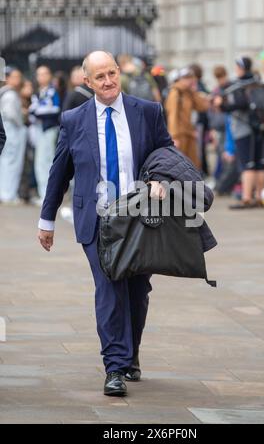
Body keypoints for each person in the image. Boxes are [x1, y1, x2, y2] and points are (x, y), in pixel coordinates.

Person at [38, 51, 173, 397]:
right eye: (100, 77)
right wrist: (47, 219)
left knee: (138, 291)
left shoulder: (148, 112)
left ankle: (130, 353)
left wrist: (159, 177)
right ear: (87, 82)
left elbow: (166, 152)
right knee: (109, 287)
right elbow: (59, 172)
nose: (109, 81)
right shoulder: (73, 119)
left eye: (112, 73)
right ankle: (114, 365)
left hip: (141, 218)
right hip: (96, 219)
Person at [214, 57, 264, 209]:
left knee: (247, 165)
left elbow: (239, 104)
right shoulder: (258, 82)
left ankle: (246, 198)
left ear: (241, 67)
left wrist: (222, 106)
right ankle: (259, 197)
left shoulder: (238, 85)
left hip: (244, 130)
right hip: (261, 128)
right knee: (259, 165)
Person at [165, 67, 209, 169]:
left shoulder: (188, 93)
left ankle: (192, 185)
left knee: (193, 165)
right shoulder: (175, 93)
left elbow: (202, 107)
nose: (190, 81)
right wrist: (174, 136)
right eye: (187, 78)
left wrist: (194, 92)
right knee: (180, 165)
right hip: (180, 135)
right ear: (181, 79)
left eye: (191, 78)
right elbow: (173, 115)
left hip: (189, 134)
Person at [30, 66, 61, 203]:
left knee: (46, 161)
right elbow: (33, 111)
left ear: (49, 76)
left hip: (48, 129)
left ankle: (47, 196)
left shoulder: (52, 92)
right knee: (39, 162)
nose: (41, 77)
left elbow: (55, 109)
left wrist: (37, 112)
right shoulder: (38, 93)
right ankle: (43, 194)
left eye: (44, 74)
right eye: (39, 74)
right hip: (39, 130)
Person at [0, 68, 27, 204]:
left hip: (8, 128)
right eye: (15, 77)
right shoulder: (10, 94)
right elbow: (11, 114)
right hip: (12, 130)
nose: (18, 80)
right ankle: (8, 194)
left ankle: (5, 193)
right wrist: (21, 123)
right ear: (8, 78)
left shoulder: (5, 92)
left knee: (6, 162)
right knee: (11, 163)